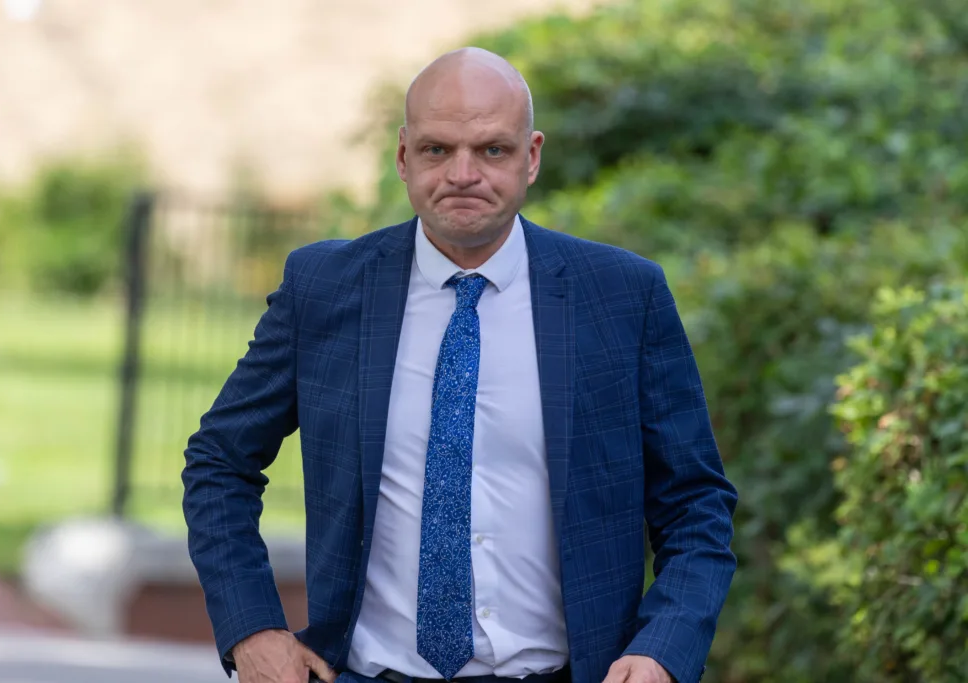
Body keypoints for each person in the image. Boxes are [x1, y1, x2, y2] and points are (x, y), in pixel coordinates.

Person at [182, 47, 737, 683]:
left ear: (531, 157)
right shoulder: (327, 289)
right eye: (437, 149)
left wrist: (662, 649)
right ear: (403, 156)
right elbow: (219, 461)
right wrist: (252, 630)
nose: (463, 173)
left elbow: (696, 503)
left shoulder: (620, 296)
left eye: (492, 151)